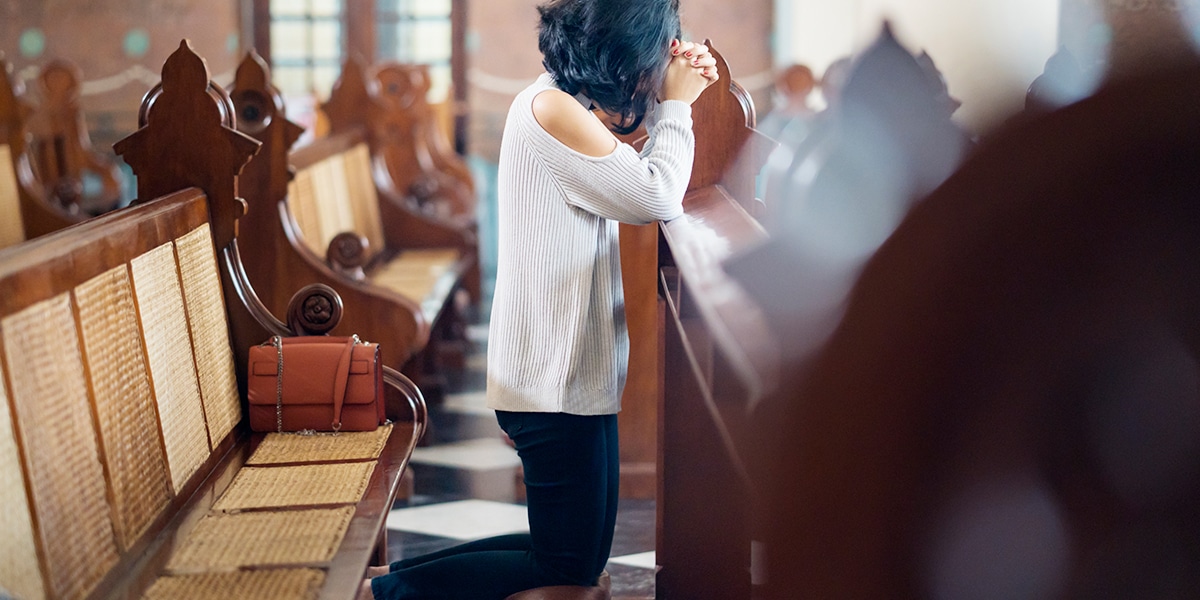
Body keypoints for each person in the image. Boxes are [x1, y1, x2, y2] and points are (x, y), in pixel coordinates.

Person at [361, 0, 717, 598]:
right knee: (568, 568)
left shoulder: (563, 102)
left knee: (570, 554)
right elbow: (656, 196)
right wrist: (676, 102)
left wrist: (665, 98)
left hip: (569, 374)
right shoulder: (551, 108)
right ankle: (383, 597)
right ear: (624, 47)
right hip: (551, 380)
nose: (664, 58)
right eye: (660, 45)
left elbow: (637, 172)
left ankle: (386, 583)